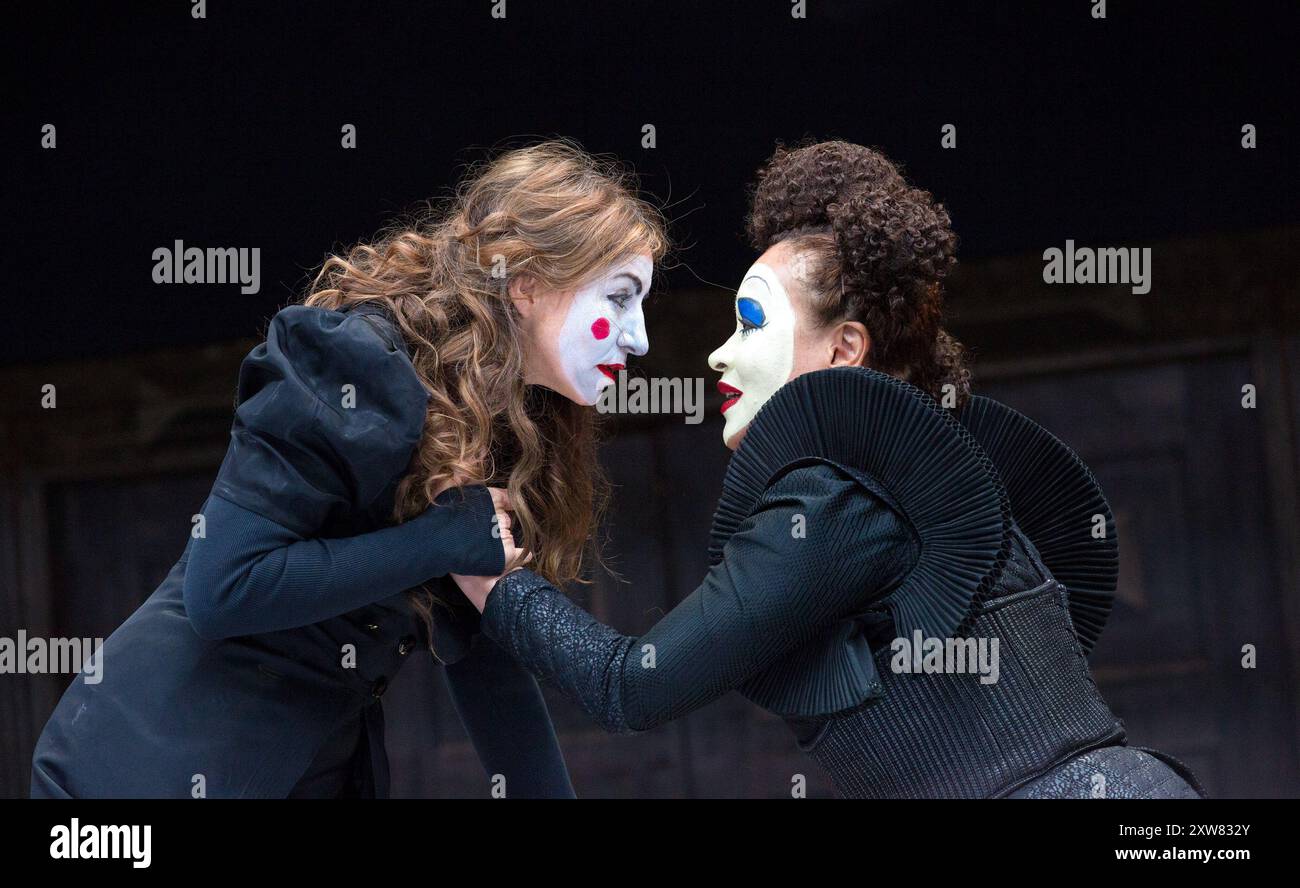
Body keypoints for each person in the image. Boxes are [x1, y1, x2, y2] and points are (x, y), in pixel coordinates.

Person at [454, 141, 1205, 798]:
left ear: (844, 351)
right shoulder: (889, 488)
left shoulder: (840, 501)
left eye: (750, 322)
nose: (719, 352)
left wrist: (494, 577)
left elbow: (630, 685)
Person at [31, 140, 667, 798]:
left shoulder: (501, 425)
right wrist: (442, 539)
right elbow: (224, 588)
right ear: (527, 284)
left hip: (309, 768)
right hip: (140, 771)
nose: (639, 335)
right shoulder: (359, 362)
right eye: (620, 297)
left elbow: (486, 660)